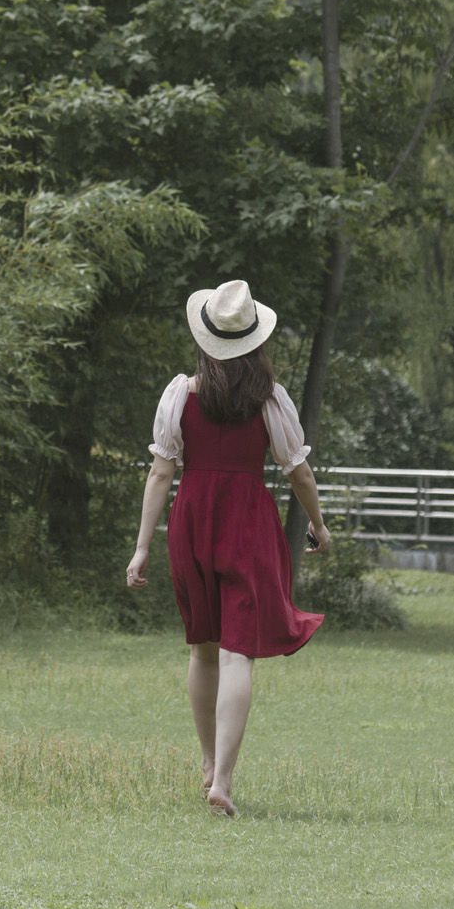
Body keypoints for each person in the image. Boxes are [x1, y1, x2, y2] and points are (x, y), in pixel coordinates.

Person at [125, 279, 331, 817]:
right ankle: (224, 780)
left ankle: (207, 765)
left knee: (203, 647)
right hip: (246, 522)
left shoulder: (180, 395)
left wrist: (142, 547)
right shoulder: (269, 400)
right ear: (254, 343)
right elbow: (299, 473)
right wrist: (319, 526)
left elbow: (160, 472)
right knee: (239, 651)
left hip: (193, 517)